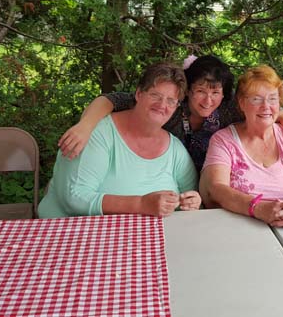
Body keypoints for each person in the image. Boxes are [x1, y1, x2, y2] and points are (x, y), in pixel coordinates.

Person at [58, 55, 283, 176]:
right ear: (188, 90)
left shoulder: (228, 110)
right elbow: (111, 100)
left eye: (215, 92)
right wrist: (85, 126)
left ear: (225, 95)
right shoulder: (169, 107)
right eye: (200, 90)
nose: (208, 100)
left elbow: (280, 112)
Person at [39, 62, 201, 218]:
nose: (162, 105)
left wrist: (192, 202)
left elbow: (191, 196)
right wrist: (140, 204)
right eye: (155, 95)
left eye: (171, 101)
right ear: (138, 94)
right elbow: (73, 197)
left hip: (149, 239)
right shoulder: (98, 133)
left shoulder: (175, 148)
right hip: (75, 234)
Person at [200, 65, 283, 227]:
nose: (266, 106)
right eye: (256, 99)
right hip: (241, 228)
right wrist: (260, 208)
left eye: (272, 98)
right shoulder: (223, 140)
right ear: (242, 103)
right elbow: (217, 189)